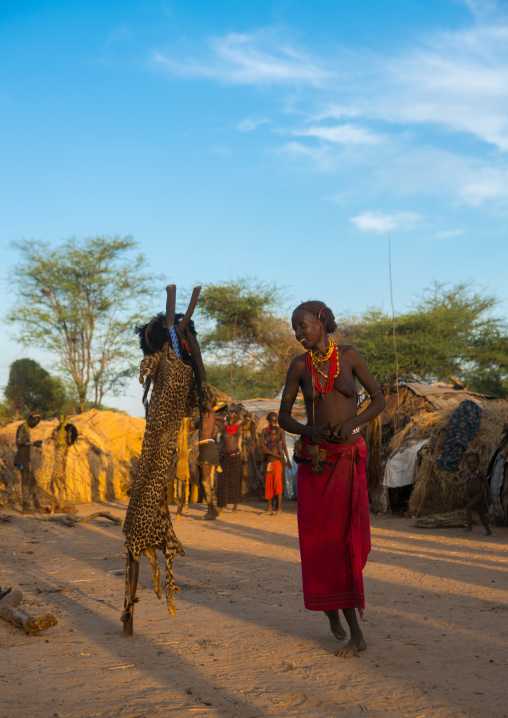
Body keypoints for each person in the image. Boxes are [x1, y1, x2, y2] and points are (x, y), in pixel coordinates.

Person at [278, 300, 385, 659]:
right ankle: (330, 611)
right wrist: (310, 430)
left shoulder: (350, 356)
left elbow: (378, 399)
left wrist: (353, 424)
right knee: (316, 542)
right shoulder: (299, 367)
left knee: (343, 543)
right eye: (294, 327)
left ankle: (356, 634)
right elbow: (283, 417)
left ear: (321, 322)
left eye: (302, 326)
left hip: (347, 459)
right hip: (316, 461)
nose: (297, 333)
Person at [217, 408, 245, 513]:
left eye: (233, 419)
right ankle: (220, 506)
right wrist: (224, 417)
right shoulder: (224, 427)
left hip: (235, 457)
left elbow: (248, 417)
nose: (230, 421)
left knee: (235, 481)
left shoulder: (239, 428)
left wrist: (240, 417)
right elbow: (215, 419)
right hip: (225, 457)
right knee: (222, 481)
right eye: (229, 419)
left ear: (236, 419)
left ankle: (235, 506)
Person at [14, 412, 43, 512]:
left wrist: (35, 443)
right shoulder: (22, 427)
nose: (35, 425)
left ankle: (37, 505)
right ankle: (25, 507)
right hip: (21, 458)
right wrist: (32, 443)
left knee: (33, 482)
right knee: (25, 481)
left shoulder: (26, 428)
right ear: (30, 420)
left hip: (26, 458)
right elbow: (18, 443)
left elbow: (25, 443)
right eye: (35, 423)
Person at [197, 399, 221, 520]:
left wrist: (202, 397)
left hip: (208, 449)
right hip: (203, 449)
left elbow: (208, 407)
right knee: (201, 480)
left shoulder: (212, 415)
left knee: (205, 481)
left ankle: (210, 510)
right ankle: (212, 509)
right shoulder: (202, 420)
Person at [464, 452, 492, 535]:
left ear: (478, 463)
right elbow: (468, 486)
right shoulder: (468, 475)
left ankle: (469, 527)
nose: (471, 465)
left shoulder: (480, 474)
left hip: (479, 496)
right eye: (469, 463)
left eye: (473, 463)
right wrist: (469, 496)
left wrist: (489, 496)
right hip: (473, 498)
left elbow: (486, 485)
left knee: (468, 507)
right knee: (481, 514)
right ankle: (488, 530)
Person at [262, 426, 284, 515]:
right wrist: (264, 453)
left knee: (278, 487)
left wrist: (269, 452)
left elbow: (281, 456)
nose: (272, 437)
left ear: (277, 435)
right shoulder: (267, 444)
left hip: (277, 465)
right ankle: (270, 509)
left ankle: (279, 509)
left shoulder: (278, 443)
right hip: (269, 466)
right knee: (268, 487)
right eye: (270, 435)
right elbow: (265, 458)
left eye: (274, 435)